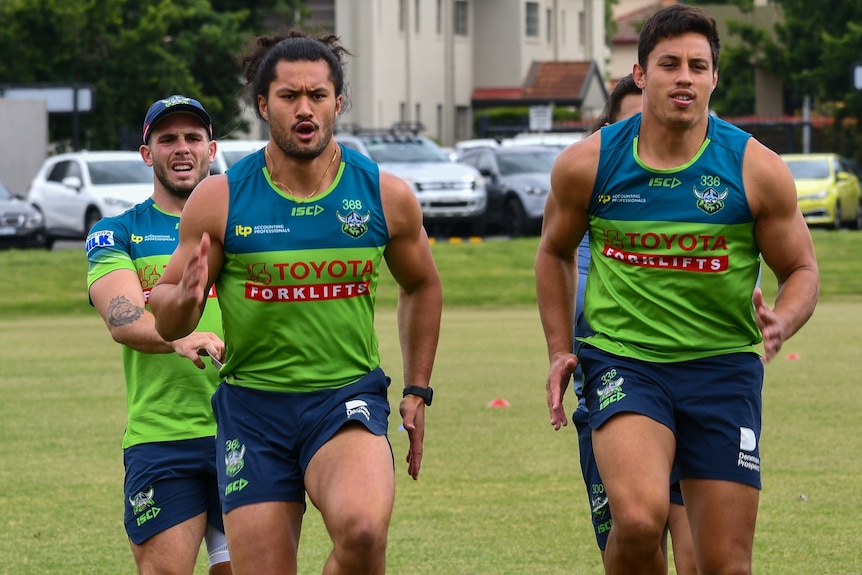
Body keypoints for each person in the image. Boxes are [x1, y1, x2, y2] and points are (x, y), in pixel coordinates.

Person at [536, 5, 819, 574]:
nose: (684, 77)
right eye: (669, 64)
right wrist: (561, 347)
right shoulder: (588, 165)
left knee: (723, 564)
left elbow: (802, 270)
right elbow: (554, 252)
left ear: (715, 78)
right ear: (641, 75)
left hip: (723, 370)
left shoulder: (755, 169)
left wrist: (783, 320)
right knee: (638, 520)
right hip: (625, 361)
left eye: (697, 65)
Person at [148, 31, 443, 575]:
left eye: (317, 95)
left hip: (344, 402)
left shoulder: (382, 194)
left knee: (362, 531)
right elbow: (167, 315)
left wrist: (418, 388)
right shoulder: (221, 197)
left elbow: (422, 284)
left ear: (338, 102)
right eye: (288, 96)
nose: (304, 109)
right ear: (264, 105)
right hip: (253, 412)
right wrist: (185, 298)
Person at [86, 95, 232, 574]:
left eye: (193, 138)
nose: (182, 148)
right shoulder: (118, 231)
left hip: (249, 427)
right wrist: (178, 337)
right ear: (148, 153)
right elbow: (123, 318)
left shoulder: (245, 226)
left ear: (211, 149)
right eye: (167, 139)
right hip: (164, 436)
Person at [572, 74, 697, 575]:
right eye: (631, 124)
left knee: (699, 560)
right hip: (615, 391)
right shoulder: (592, 200)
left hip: (694, 390)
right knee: (637, 537)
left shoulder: (706, 197)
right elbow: (577, 290)